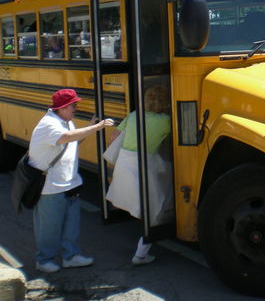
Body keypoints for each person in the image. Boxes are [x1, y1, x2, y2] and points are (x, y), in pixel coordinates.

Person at [29, 89, 114, 273]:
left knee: (71, 224)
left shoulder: (66, 122)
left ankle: (71, 256)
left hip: (70, 182)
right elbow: (65, 138)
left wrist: (89, 127)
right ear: (63, 108)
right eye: (74, 105)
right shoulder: (48, 124)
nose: (76, 108)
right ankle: (44, 260)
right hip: (51, 186)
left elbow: (72, 142)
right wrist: (96, 127)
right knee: (49, 226)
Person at [106, 85, 172, 265]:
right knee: (154, 208)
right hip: (145, 166)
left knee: (143, 205)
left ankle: (142, 248)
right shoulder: (166, 121)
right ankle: (140, 254)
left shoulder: (134, 115)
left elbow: (114, 137)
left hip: (125, 165)